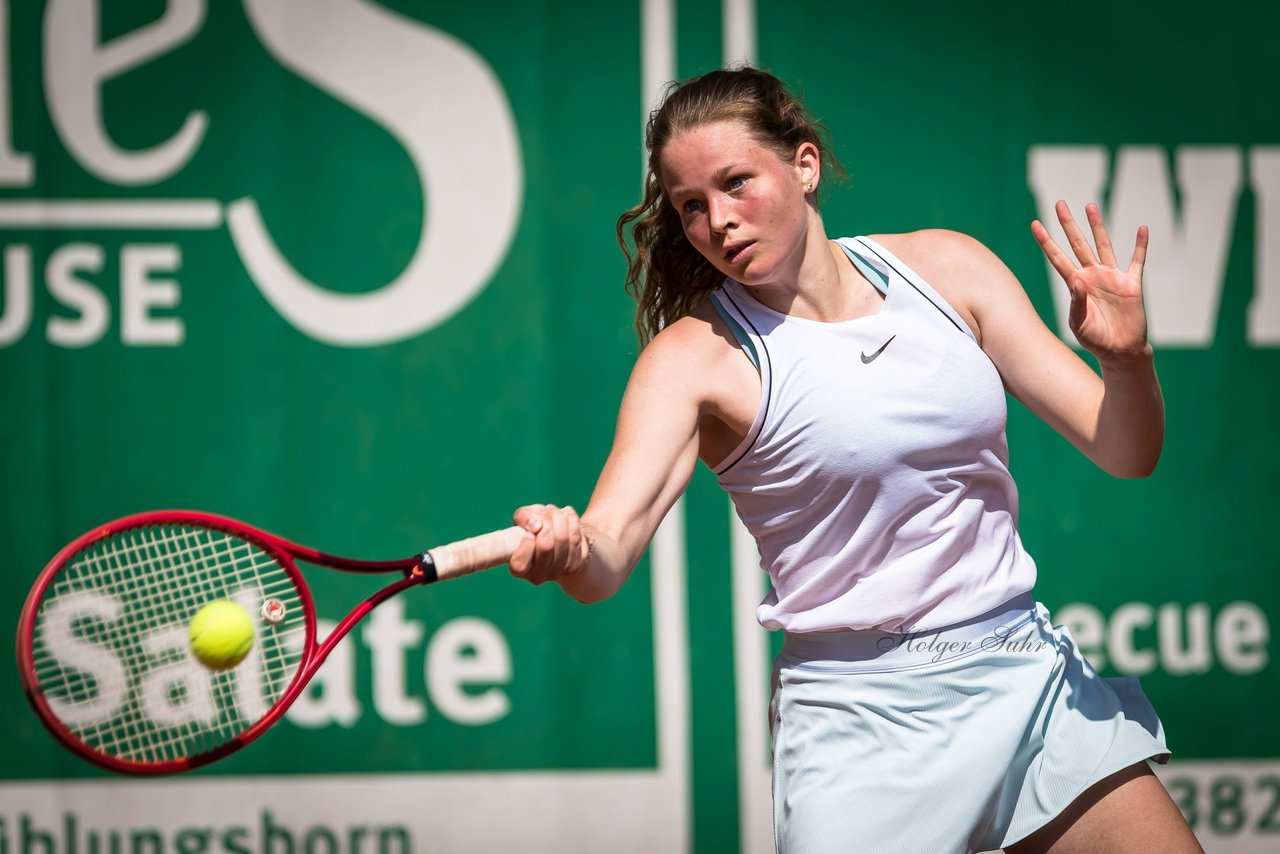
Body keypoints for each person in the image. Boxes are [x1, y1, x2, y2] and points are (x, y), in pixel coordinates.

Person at [507, 67, 1202, 853]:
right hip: (863, 734)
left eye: (738, 183)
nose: (720, 221)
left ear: (803, 165)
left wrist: (1128, 361)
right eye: (692, 206)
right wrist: (569, 549)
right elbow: (607, 553)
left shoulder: (950, 269)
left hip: (1028, 682)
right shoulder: (693, 359)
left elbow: (1126, 449)